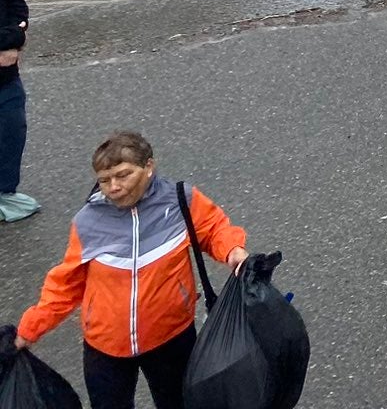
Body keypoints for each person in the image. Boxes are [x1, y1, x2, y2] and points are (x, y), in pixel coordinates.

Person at [17, 131, 250, 409]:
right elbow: (65, 285)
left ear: (149, 167)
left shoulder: (180, 200)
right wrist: (28, 331)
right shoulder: (88, 222)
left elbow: (213, 230)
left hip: (172, 336)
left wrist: (233, 250)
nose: (113, 187)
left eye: (123, 175)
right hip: (105, 348)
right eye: (104, 180)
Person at [0, 0, 33, 223]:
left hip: (7, 80)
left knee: (13, 129)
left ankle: (4, 192)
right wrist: (11, 40)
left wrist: (15, 38)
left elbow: (20, 11)